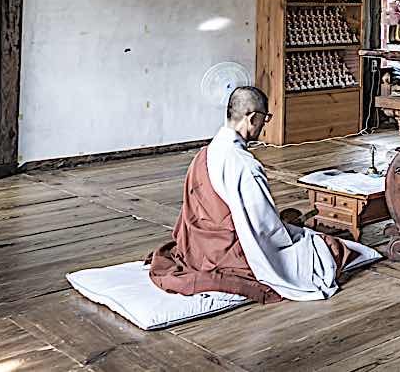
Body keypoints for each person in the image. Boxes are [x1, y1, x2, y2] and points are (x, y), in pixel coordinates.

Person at [148, 87, 353, 302]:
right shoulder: (244, 165)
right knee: (331, 249)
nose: (264, 125)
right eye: (265, 119)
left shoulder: (205, 152)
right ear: (253, 118)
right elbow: (264, 229)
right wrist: (290, 232)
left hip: (198, 249)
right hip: (228, 254)